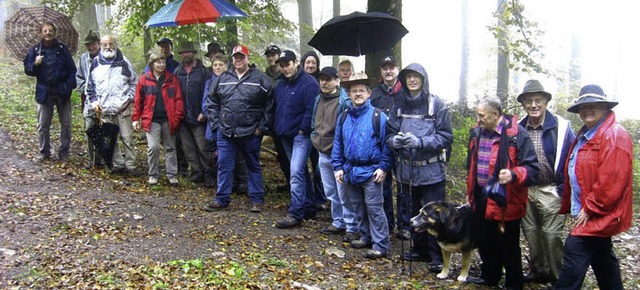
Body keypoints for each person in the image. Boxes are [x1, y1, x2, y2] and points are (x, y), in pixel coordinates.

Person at [555, 85, 633, 290]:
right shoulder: (585, 134)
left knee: (574, 250)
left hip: (597, 212)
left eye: (593, 105)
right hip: (588, 211)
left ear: (605, 108)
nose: (587, 110)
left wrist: (590, 207)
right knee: (603, 259)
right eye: (583, 106)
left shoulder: (614, 136)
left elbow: (612, 181)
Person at [465, 96, 539, 290]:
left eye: (482, 116)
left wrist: (514, 174)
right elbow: (470, 164)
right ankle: (490, 276)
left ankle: (514, 283)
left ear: (495, 114)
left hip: (506, 199)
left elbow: (532, 169)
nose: (478, 120)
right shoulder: (476, 133)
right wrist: (470, 190)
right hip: (481, 194)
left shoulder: (517, 135)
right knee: (484, 239)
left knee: (508, 244)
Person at [385, 63, 453, 273]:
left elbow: (445, 136)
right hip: (407, 170)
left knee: (436, 215)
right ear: (404, 80)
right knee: (412, 211)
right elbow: (389, 133)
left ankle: (438, 256)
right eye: (409, 77)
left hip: (431, 170)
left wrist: (421, 142)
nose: (412, 80)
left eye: (417, 76)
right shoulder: (398, 104)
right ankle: (419, 249)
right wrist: (393, 141)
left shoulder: (437, 104)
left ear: (424, 79)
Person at [516, 80, 575, 284]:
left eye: (538, 100)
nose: (533, 105)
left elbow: (572, 158)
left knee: (551, 236)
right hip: (525, 189)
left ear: (546, 102)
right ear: (523, 103)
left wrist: (562, 190)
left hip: (551, 189)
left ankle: (559, 276)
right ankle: (539, 270)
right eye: (528, 100)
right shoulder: (518, 127)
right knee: (531, 234)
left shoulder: (561, 126)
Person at [203, 44, 274, 213]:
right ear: (232, 59)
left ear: (247, 58)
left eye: (242, 57)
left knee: (253, 166)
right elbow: (211, 102)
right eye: (236, 57)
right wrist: (216, 125)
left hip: (251, 132)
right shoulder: (222, 78)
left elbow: (270, 104)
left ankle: (257, 200)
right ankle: (221, 199)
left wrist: (262, 127)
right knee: (224, 166)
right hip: (226, 132)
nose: (239, 60)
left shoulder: (260, 79)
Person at [331, 74, 391, 259]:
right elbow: (337, 144)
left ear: (369, 93)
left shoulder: (378, 116)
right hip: (350, 170)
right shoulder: (343, 117)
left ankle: (380, 244)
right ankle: (365, 236)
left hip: (372, 171)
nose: (358, 94)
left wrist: (384, 167)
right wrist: (337, 167)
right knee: (358, 207)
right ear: (348, 94)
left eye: (361, 91)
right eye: (354, 91)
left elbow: (388, 144)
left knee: (375, 208)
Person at [273, 50, 320, 229]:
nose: (285, 68)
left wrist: (302, 129)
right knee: (300, 172)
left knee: (295, 172)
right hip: (285, 134)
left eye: (288, 64)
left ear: (295, 63)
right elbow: (278, 107)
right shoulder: (281, 84)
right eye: (282, 65)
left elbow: (311, 109)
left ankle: (295, 213)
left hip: (301, 135)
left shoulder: (308, 83)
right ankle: (308, 205)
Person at [23, 21, 77, 162]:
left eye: (50, 30)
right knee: (43, 125)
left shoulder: (62, 49)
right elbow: (28, 70)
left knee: (66, 124)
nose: (48, 33)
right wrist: (35, 63)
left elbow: (72, 70)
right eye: (45, 31)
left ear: (55, 32)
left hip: (62, 92)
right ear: (41, 33)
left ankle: (63, 152)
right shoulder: (35, 50)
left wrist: (68, 86)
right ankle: (44, 152)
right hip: (44, 92)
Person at [86, 35, 139, 176]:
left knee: (127, 138)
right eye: (105, 45)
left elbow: (134, 82)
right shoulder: (95, 63)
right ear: (101, 46)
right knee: (111, 139)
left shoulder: (123, 62)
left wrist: (130, 98)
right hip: (104, 110)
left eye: (111, 44)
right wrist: (95, 103)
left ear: (115, 44)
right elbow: (90, 88)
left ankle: (131, 165)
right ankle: (117, 164)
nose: (108, 47)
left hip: (123, 108)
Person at [310, 66, 353, 236]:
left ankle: (350, 226)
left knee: (344, 192)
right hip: (322, 151)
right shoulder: (318, 99)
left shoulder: (344, 101)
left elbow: (347, 129)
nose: (324, 82)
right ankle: (338, 221)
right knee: (330, 191)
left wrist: (339, 150)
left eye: (328, 79)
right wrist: (314, 137)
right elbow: (314, 121)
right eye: (322, 79)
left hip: (338, 155)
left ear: (337, 81)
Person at [131, 50, 184, 185]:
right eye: (158, 62)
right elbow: (138, 101)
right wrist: (136, 118)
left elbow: (178, 100)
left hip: (169, 119)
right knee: (153, 147)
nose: (161, 64)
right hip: (151, 119)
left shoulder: (172, 79)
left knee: (170, 147)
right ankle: (153, 174)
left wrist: (177, 117)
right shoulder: (144, 80)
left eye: (163, 61)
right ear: (152, 64)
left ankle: (171, 174)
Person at [370, 55, 405, 240]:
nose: (388, 71)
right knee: (383, 186)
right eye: (385, 68)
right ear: (381, 72)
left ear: (397, 69)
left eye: (391, 67)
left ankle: (404, 225)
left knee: (403, 186)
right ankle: (388, 223)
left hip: (401, 146)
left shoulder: (404, 92)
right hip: (381, 146)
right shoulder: (375, 93)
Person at [173, 42, 214, 187]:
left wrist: (204, 112)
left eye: (188, 52)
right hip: (183, 116)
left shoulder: (203, 71)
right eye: (183, 53)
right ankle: (196, 171)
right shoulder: (178, 72)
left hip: (199, 116)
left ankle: (208, 172)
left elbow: (209, 93)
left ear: (194, 53)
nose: (185, 55)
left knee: (202, 146)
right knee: (188, 147)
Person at [263, 45, 290, 192]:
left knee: (290, 154)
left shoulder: (286, 75)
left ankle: (297, 185)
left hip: (286, 119)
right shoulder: (264, 76)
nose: (271, 58)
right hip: (272, 120)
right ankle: (289, 181)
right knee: (281, 154)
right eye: (269, 55)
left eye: (274, 55)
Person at [76, 30, 101, 168]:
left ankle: (102, 158)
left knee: (103, 131)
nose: (91, 48)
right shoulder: (83, 59)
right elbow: (78, 77)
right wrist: (85, 87)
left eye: (94, 45)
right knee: (90, 130)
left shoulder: (106, 58)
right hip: (88, 102)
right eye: (89, 45)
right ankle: (92, 160)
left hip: (104, 101)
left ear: (99, 44)